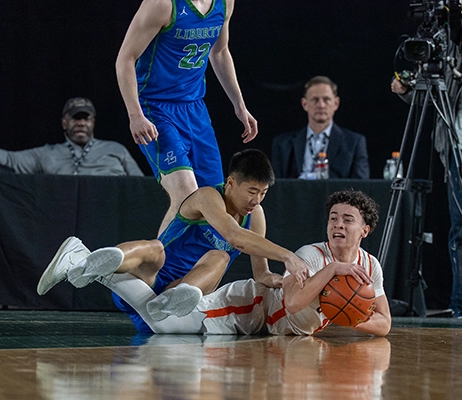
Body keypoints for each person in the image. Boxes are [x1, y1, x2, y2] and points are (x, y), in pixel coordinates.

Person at [39, 188, 391, 337]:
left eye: (347, 220)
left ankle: (87, 262)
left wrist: (349, 316)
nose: (337, 224)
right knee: (165, 326)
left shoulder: (370, 265)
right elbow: (295, 302)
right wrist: (332, 271)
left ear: (365, 230)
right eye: (333, 218)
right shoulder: (312, 256)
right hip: (250, 307)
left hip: (270, 330)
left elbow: (384, 322)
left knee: (162, 316)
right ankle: (83, 260)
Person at [37, 149, 310, 332]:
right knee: (156, 248)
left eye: (263, 193)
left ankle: (175, 294)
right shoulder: (207, 196)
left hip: (177, 301)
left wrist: (281, 280)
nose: (257, 200)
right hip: (149, 276)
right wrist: (288, 256)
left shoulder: (256, 215)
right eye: (252, 191)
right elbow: (234, 237)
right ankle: (97, 261)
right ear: (230, 182)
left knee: (220, 257)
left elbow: (260, 273)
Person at [391, 0, 462, 318]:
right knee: (460, 229)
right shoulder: (449, 35)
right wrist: (405, 88)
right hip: (455, 140)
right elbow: (432, 85)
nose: (461, 1)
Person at [116, 0, 258, 233]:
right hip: (155, 107)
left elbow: (220, 52)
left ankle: (191, 258)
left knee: (214, 199)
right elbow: (125, 58)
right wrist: (135, 114)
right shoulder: (162, 4)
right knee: (185, 193)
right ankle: (157, 258)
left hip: (194, 108)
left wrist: (240, 106)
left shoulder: (225, 3)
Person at [0, 97, 144, 176]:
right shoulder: (47, 153)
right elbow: (10, 160)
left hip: (110, 212)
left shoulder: (116, 150)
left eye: (86, 118)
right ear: (64, 123)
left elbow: (140, 186)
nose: (81, 123)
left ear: (93, 122)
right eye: (75, 118)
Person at [272, 76, 370, 180]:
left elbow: (361, 185)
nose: (321, 105)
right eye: (315, 100)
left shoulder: (354, 143)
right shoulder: (283, 144)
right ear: (304, 104)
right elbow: (276, 185)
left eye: (326, 99)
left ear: (336, 103)